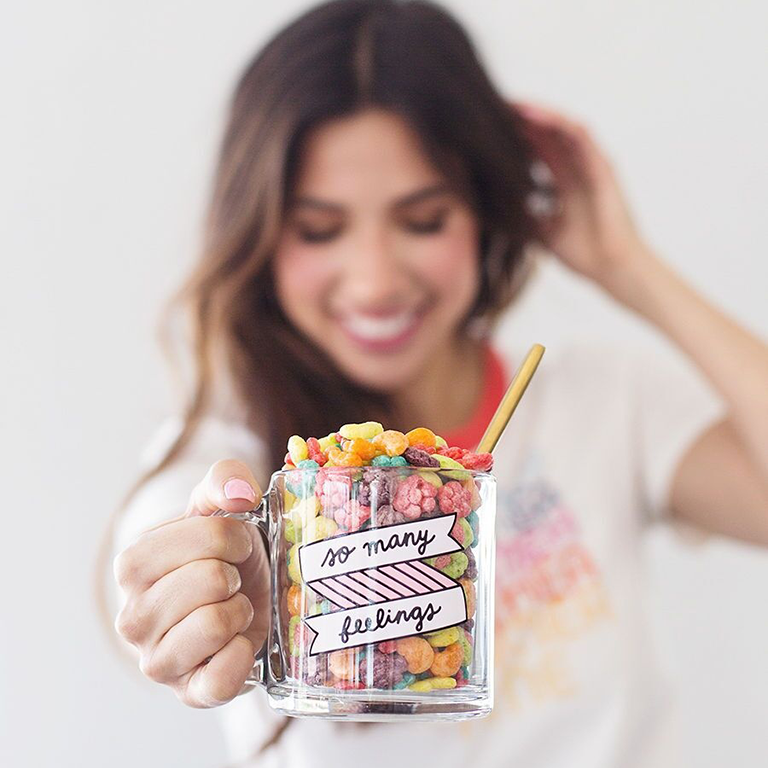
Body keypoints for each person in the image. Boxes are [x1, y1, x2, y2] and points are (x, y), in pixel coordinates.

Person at [109, 1, 768, 766]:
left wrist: (627, 266)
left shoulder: (605, 401)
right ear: (257, 235)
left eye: (423, 219)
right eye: (319, 230)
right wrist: (193, 587)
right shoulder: (246, 459)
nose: (376, 281)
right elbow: (147, 553)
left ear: (484, 211)